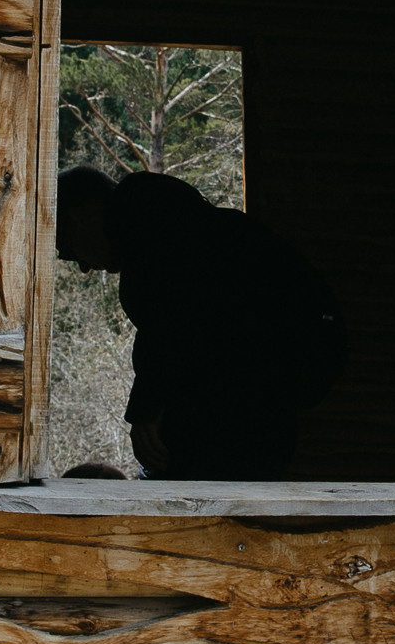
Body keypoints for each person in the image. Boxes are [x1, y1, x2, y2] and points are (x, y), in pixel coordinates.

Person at [55, 168, 345, 479]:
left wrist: (146, 412)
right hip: (276, 390)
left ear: (78, 218)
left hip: (256, 398)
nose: (84, 267)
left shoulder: (159, 233)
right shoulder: (177, 220)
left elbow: (174, 322)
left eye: (68, 250)